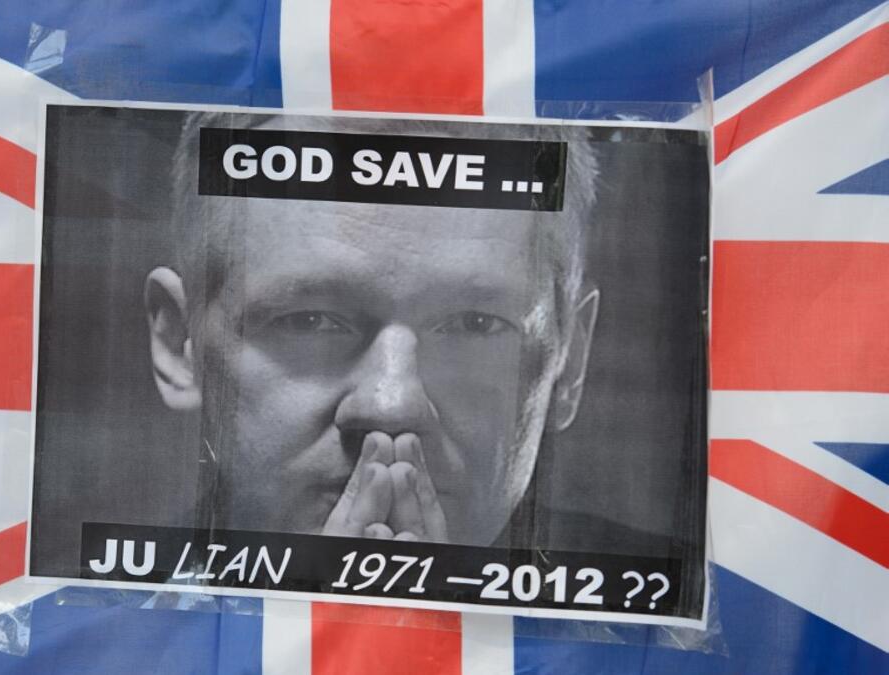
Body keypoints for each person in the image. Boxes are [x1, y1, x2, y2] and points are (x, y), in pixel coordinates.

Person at [142, 114, 600, 548]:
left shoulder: (657, 622)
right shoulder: (89, 620)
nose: (392, 406)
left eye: (474, 325)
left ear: (571, 363)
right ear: (180, 345)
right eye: (309, 321)